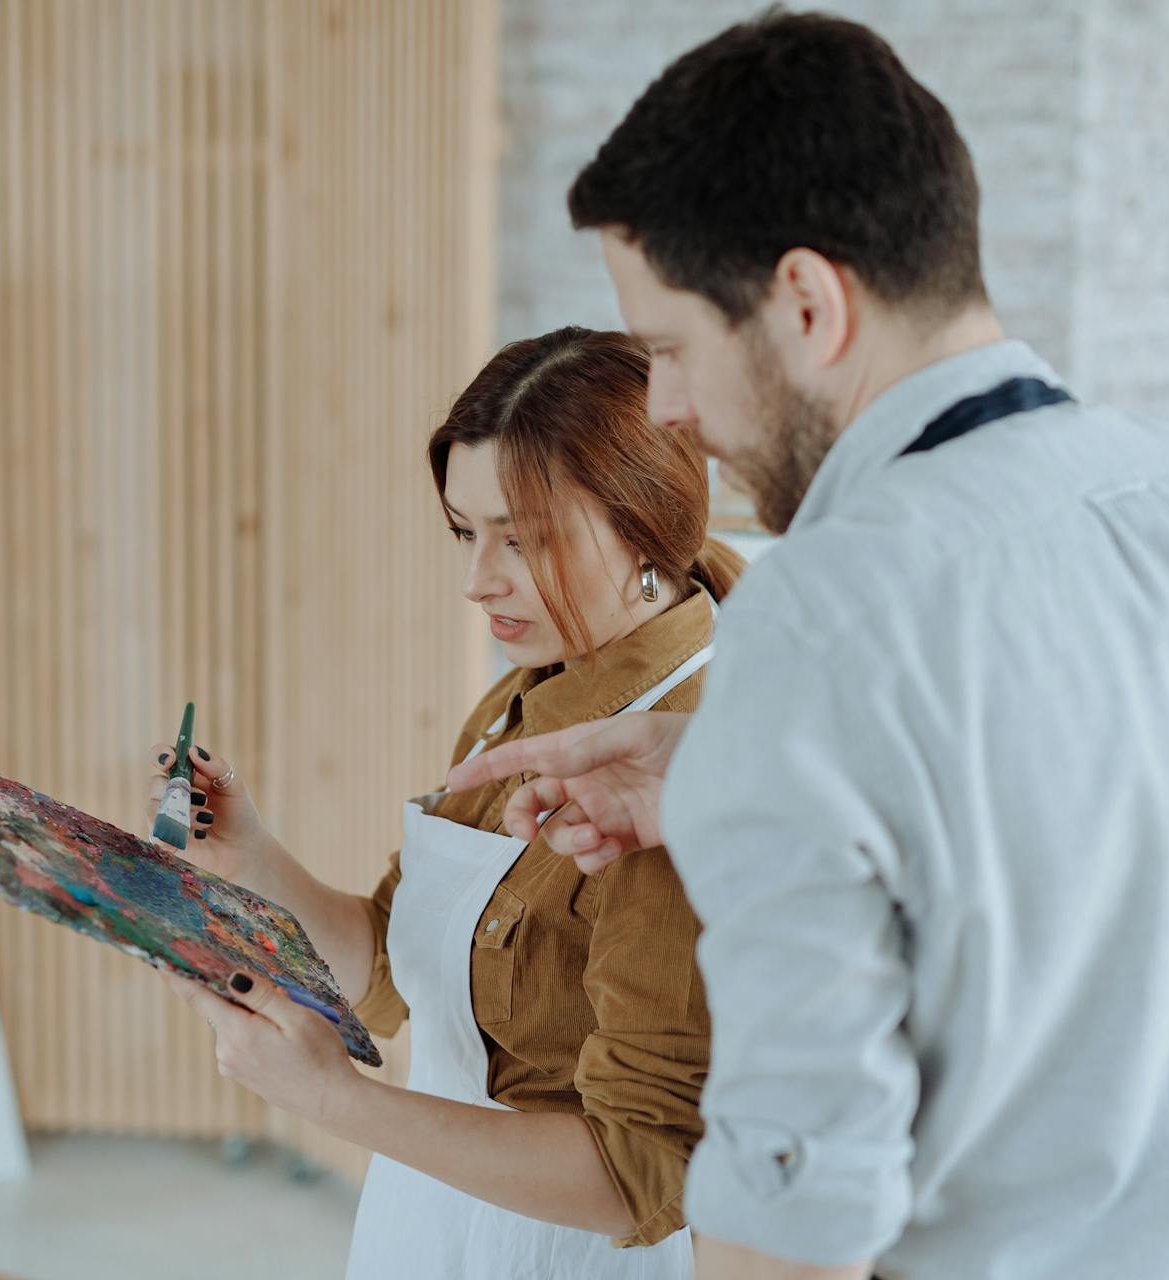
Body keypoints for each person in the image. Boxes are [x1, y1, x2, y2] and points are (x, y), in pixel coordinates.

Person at [449, 12, 1169, 1280]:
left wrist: (778, 753)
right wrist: (728, 774)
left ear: (809, 303)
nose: (667, 408)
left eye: (669, 349)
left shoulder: (819, 619)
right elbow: (1110, 856)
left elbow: (793, 1212)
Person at [151, 326, 746, 1277]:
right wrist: (251, 854)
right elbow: (399, 967)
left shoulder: (688, 769)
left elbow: (642, 1172)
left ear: (646, 526)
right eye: (465, 533)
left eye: (527, 539)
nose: (477, 583)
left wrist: (335, 1102)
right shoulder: (528, 689)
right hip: (429, 1219)